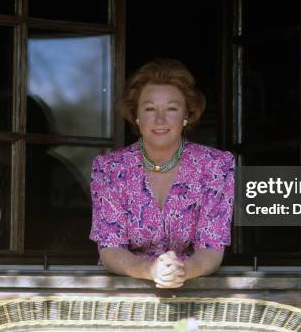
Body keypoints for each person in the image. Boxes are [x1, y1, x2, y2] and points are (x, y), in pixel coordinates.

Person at [89, 59, 235, 288]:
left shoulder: (215, 166)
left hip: (193, 289)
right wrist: (150, 270)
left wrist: (183, 271)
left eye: (171, 109)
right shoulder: (109, 169)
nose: (160, 119)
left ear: (186, 115)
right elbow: (110, 247)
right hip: (124, 292)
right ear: (136, 115)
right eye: (149, 109)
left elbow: (211, 248)